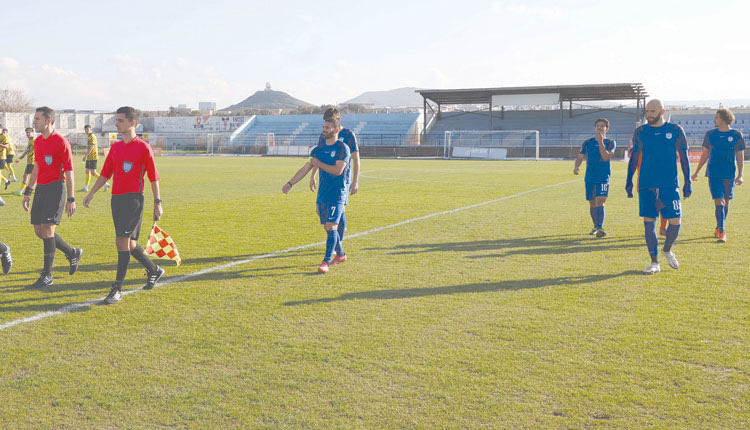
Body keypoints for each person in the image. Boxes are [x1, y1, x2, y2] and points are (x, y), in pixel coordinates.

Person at [83, 106, 164, 305]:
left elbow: (153, 178)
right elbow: (105, 174)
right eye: (116, 120)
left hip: (134, 200)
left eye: (120, 120)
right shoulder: (116, 148)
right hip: (116, 200)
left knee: (121, 242)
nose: (117, 124)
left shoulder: (143, 148)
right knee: (130, 244)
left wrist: (157, 203)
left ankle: (116, 288)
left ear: (132, 123)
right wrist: (92, 193)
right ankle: (154, 269)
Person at [625, 99, 691, 275]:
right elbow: (634, 158)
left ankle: (667, 249)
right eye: (647, 111)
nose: (649, 115)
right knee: (649, 224)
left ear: (662, 111)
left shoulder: (675, 131)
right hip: (647, 184)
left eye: (653, 111)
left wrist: (687, 181)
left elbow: (684, 157)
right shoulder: (640, 132)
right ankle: (654, 262)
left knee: (676, 221)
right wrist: (629, 180)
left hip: (669, 184)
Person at [21, 106, 83, 287]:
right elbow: (37, 167)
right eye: (34, 119)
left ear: (48, 121)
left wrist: (71, 198)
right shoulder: (38, 141)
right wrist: (28, 191)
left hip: (56, 188)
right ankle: (72, 253)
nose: (34, 122)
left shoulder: (61, 142)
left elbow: (70, 171)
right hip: (41, 188)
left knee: (48, 231)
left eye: (37, 119)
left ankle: (47, 275)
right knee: (39, 231)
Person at [283, 114, 351, 273]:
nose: (324, 130)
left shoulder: (342, 148)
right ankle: (340, 254)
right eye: (323, 127)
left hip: (337, 194)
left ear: (335, 130)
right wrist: (290, 183)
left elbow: (338, 170)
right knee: (328, 227)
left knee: (331, 225)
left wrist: (318, 164)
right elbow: (305, 168)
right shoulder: (318, 150)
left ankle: (325, 262)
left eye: (327, 128)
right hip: (322, 194)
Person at [690, 108, 744, 242]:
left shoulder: (737, 135)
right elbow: (705, 154)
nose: (714, 120)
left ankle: (719, 226)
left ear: (724, 119)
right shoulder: (710, 134)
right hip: (713, 173)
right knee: (719, 201)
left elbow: (740, 155)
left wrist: (740, 174)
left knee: (726, 203)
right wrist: (696, 172)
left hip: (729, 174)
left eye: (716, 117)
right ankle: (722, 231)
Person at [309, 107, 359, 244]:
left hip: (342, 180)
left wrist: (355, 181)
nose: (327, 125)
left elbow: (356, 159)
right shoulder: (324, 135)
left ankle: (338, 244)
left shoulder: (349, 135)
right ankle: (336, 240)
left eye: (330, 121)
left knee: (339, 210)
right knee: (321, 211)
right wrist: (313, 175)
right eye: (326, 122)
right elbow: (318, 157)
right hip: (325, 179)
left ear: (338, 120)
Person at [573, 118, 615, 238]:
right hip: (590, 177)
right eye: (597, 125)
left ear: (607, 129)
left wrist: (601, 142)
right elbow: (580, 156)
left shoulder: (611, 142)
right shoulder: (587, 142)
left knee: (600, 200)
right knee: (592, 203)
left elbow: (606, 157)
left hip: (603, 177)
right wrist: (576, 167)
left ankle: (600, 227)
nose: (599, 127)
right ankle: (596, 226)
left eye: (602, 126)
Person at [80, 124, 109, 192]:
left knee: (93, 172)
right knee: (88, 171)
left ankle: (104, 183)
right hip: (91, 157)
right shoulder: (90, 136)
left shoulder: (92, 137)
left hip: (92, 157)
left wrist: (86, 155)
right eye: (85, 130)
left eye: (88, 129)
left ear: (91, 129)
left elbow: (91, 146)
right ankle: (86, 187)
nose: (86, 131)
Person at [13, 127, 36, 196]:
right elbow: (27, 151)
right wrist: (20, 158)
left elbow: (38, 150)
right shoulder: (30, 141)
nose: (28, 134)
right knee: (29, 177)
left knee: (27, 177)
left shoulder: (34, 141)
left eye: (29, 132)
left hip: (32, 162)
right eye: (27, 133)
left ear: (33, 132)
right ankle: (23, 191)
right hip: (30, 162)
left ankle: (21, 191)